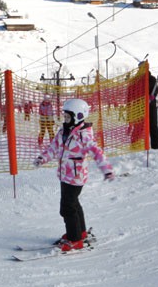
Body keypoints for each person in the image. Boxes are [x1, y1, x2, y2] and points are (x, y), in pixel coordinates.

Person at [33, 98, 113, 253]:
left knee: (67, 208)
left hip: (76, 177)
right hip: (65, 175)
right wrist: (42, 158)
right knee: (74, 204)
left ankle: (74, 239)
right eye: (65, 116)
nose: (65, 119)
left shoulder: (84, 136)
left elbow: (97, 153)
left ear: (78, 116)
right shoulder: (63, 132)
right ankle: (80, 232)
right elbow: (53, 148)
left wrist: (107, 169)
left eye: (68, 117)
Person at [148, 72, 158, 150]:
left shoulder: (152, 79)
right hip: (141, 106)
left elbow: (155, 89)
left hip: (151, 105)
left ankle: (156, 147)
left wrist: (153, 95)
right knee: (140, 126)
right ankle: (138, 145)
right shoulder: (138, 79)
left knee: (153, 125)